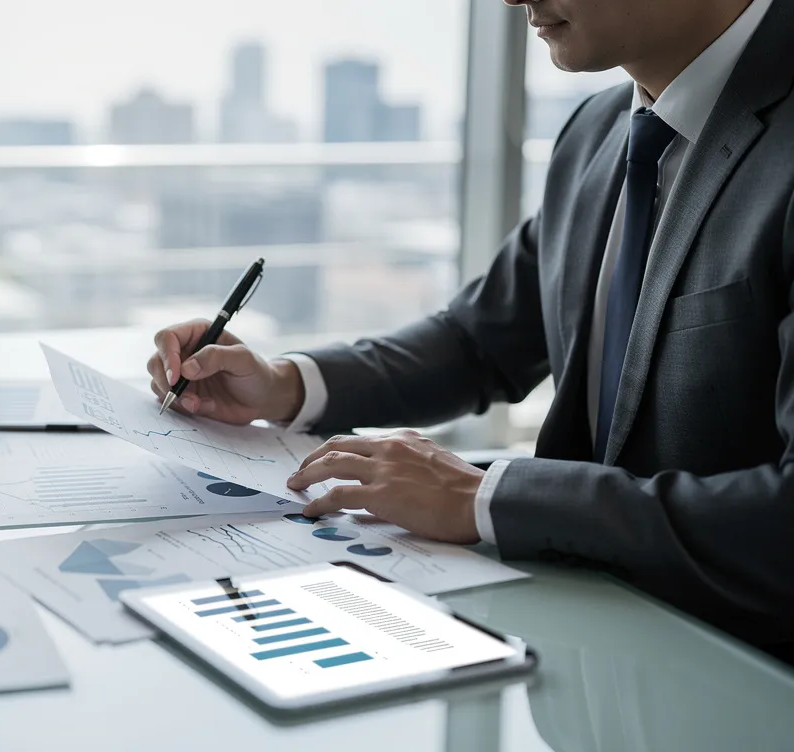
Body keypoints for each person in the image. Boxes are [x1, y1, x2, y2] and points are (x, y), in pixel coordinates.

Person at [147, 0, 794, 659]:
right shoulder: (599, 132)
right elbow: (479, 342)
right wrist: (285, 385)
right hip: (597, 646)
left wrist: (488, 497)